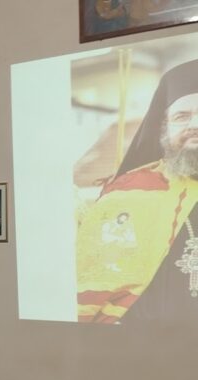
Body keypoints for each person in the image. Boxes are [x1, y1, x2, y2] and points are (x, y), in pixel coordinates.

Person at [77, 59, 198, 323]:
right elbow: (90, 294)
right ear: (164, 128)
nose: (195, 125)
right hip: (147, 340)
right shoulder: (128, 194)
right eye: (182, 116)